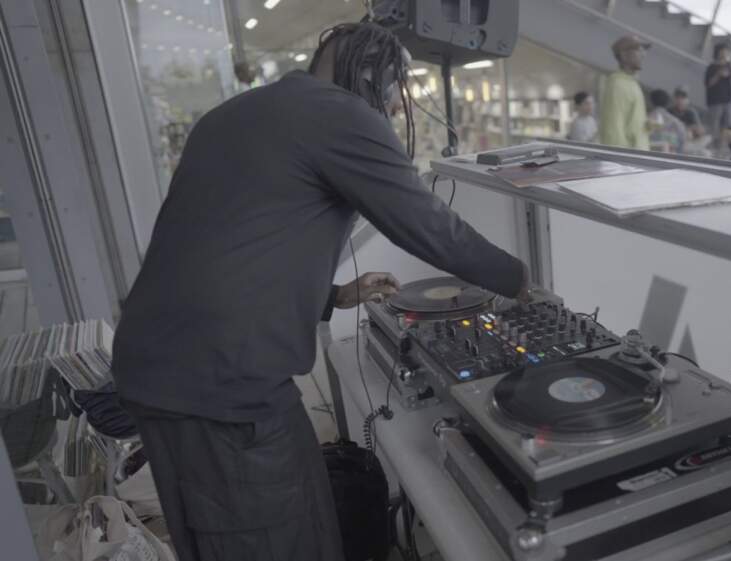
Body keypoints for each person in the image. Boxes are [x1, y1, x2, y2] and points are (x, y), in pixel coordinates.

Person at [111, 23, 528, 561]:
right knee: (283, 537)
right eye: (394, 90)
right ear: (372, 73)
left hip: (159, 369)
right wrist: (521, 284)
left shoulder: (236, 113)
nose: (395, 111)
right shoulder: (338, 113)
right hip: (221, 387)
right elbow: (430, 226)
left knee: (229, 531)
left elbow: (231, 244)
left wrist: (334, 295)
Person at [599, 35, 651, 150]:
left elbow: (630, 123)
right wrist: (621, 162)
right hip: (629, 163)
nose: (643, 55)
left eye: (643, 50)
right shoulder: (617, 85)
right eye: (638, 50)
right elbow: (613, 130)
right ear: (623, 55)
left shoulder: (632, 83)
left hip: (638, 158)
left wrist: (645, 125)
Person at [704, 43, 731, 148]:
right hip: (715, 101)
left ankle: (722, 147)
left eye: (726, 51)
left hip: (727, 100)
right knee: (714, 125)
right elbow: (708, 83)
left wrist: (730, 63)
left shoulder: (729, 65)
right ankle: (712, 146)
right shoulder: (712, 67)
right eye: (722, 51)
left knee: (727, 124)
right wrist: (718, 74)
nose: (724, 53)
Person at [647, 89, 687, 153]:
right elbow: (682, 144)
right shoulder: (677, 123)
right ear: (667, 103)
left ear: (651, 102)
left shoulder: (645, 121)